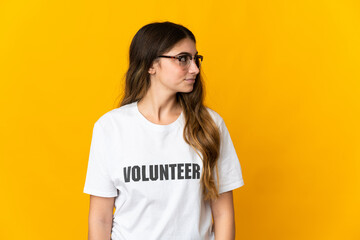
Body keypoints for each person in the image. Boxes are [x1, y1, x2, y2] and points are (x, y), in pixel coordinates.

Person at [83, 21, 244, 240]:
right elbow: (100, 219)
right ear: (151, 65)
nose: (195, 68)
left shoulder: (210, 124)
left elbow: (223, 214)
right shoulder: (111, 128)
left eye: (195, 58)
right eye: (182, 58)